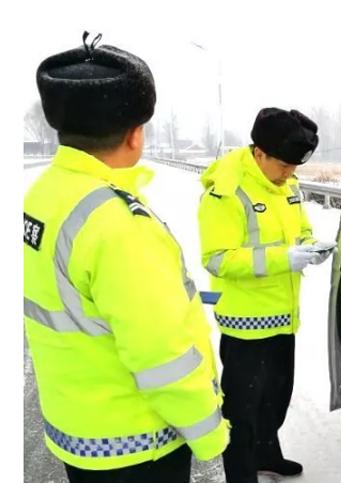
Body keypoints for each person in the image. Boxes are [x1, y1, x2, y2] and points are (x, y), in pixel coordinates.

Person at [24, 33, 229, 483]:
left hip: (79, 431)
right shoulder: (117, 224)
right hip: (136, 446)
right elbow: (160, 355)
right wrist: (210, 434)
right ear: (136, 133)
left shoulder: (43, 194)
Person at [197, 107, 333, 483]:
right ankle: (242, 474)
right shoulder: (226, 193)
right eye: (284, 164)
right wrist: (283, 258)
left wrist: (309, 246)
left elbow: (299, 229)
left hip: (283, 314)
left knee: (275, 399)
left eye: (295, 166)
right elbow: (217, 259)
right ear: (259, 153)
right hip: (245, 322)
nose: (290, 173)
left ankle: (266, 456)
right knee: (242, 410)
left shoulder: (287, 185)